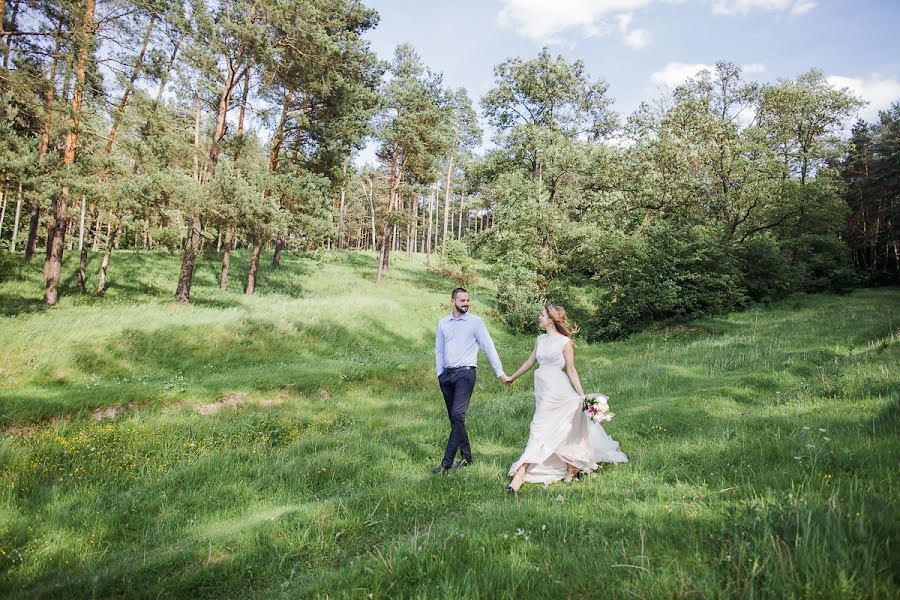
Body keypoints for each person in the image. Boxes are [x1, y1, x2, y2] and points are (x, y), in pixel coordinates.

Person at [504, 304, 627, 492]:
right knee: (541, 427)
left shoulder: (565, 342)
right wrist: (513, 377)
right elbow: (530, 361)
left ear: (551, 318)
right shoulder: (540, 339)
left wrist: (582, 396)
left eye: (542, 314)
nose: (539, 317)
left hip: (559, 390)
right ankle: (566, 467)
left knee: (552, 428)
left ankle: (523, 474)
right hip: (543, 392)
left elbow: (571, 370)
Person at [433, 287, 511, 474]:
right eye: (462, 301)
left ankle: (446, 464)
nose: (466, 304)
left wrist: (499, 372)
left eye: (468, 300)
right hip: (447, 375)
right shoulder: (443, 323)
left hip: (466, 374)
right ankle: (467, 457)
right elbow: (439, 350)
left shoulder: (476, 323)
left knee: (458, 416)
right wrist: (440, 374)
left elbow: (488, 346)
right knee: (455, 419)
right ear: (453, 302)